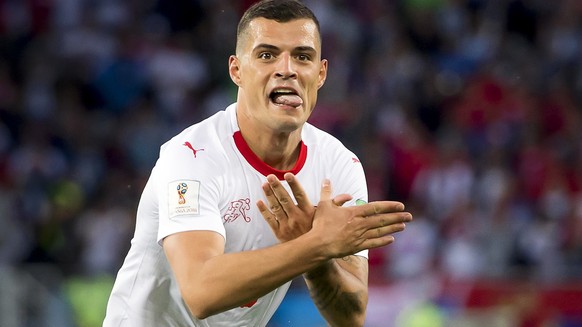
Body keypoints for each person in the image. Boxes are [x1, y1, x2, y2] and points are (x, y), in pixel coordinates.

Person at [103, 0, 412, 326]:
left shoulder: (338, 165)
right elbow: (201, 292)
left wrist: (318, 260)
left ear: (320, 74)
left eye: (302, 57)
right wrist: (315, 244)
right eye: (267, 55)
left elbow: (350, 317)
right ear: (236, 70)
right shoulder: (191, 157)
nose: (287, 68)